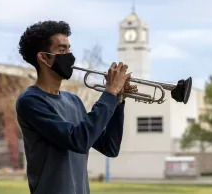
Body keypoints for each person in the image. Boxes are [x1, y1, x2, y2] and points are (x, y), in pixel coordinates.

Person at [16, 20, 137, 194]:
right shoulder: (31, 101)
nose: (69, 56)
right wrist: (109, 92)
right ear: (43, 57)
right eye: (62, 50)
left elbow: (110, 147)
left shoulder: (73, 101)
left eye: (69, 49)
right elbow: (79, 140)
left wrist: (118, 100)